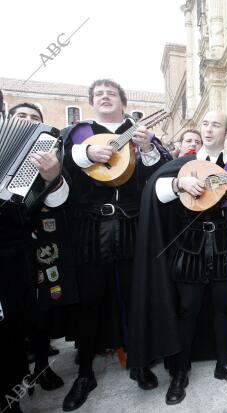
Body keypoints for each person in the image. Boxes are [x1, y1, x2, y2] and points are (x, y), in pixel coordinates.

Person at [129, 110, 227, 405]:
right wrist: (178, 185)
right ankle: (180, 371)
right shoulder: (182, 163)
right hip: (189, 247)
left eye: (216, 124)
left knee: (223, 308)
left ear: (226, 133)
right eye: (205, 123)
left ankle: (223, 363)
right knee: (187, 309)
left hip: (223, 246)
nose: (208, 129)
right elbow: (155, 192)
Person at [60, 79, 169, 411]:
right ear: (92, 103)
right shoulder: (78, 134)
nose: (104, 97)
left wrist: (149, 148)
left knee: (134, 295)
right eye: (97, 94)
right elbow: (60, 167)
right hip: (91, 227)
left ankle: (139, 363)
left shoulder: (140, 132)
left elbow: (164, 174)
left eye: (110, 93)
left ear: (123, 101)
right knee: (91, 297)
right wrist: (87, 154)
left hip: (132, 225)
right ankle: (85, 373)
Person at [0, 100, 69, 413]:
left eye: (34, 118)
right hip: (13, 246)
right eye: (21, 117)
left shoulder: (47, 153)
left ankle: (35, 369)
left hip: (28, 247)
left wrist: (52, 176)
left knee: (32, 313)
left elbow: (57, 200)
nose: (27, 121)